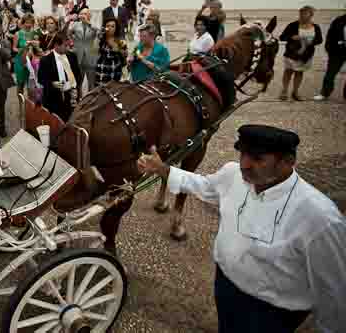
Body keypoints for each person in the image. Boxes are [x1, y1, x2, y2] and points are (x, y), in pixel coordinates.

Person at [137, 125, 346, 333]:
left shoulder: (320, 219)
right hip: (225, 285)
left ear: (288, 162)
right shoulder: (232, 174)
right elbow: (205, 186)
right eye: (243, 154)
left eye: (258, 159)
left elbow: (332, 289)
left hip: (269, 311)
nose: (245, 164)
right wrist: (162, 169)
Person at [278, 6, 323, 101]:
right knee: (288, 71)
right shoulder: (293, 25)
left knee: (299, 72)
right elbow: (282, 37)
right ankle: (284, 91)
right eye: (301, 14)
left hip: (306, 55)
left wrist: (311, 42)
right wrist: (292, 37)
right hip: (292, 53)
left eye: (305, 14)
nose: (302, 16)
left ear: (311, 15)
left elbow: (319, 40)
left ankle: (295, 92)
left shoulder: (316, 27)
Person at [37, 34, 80, 122]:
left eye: (69, 45)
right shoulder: (45, 60)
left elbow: (78, 74)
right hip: (53, 99)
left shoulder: (72, 56)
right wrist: (52, 83)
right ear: (56, 45)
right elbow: (41, 79)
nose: (68, 48)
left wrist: (75, 87)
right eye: (65, 46)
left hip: (70, 97)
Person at [314, 11, 346, 101]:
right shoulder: (339, 20)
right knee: (330, 73)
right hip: (337, 52)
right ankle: (324, 93)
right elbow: (330, 35)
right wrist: (329, 49)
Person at [69, 7, 99, 95]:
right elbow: (68, 33)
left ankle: (91, 101)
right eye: (81, 13)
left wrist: (88, 23)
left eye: (85, 14)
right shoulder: (75, 25)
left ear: (89, 16)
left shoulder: (94, 25)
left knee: (91, 82)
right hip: (78, 55)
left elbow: (99, 33)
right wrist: (73, 42)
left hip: (91, 57)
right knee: (79, 81)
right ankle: (79, 99)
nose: (82, 15)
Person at [13, 14, 39, 95]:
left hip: (32, 61)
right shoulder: (18, 34)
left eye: (31, 23)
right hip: (20, 61)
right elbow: (14, 48)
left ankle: (29, 105)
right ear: (23, 23)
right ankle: (21, 105)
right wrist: (23, 48)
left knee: (31, 84)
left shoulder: (34, 33)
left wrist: (36, 45)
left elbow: (38, 47)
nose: (29, 25)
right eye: (27, 23)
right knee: (20, 84)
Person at [96, 18, 128, 84]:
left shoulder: (120, 41)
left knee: (114, 90)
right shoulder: (100, 39)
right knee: (100, 92)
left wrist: (120, 49)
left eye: (113, 26)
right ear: (104, 27)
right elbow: (93, 50)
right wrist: (98, 37)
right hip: (102, 71)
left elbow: (125, 55)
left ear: (116, 28)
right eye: (108, 26)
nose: (110, 28)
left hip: (115, 71)